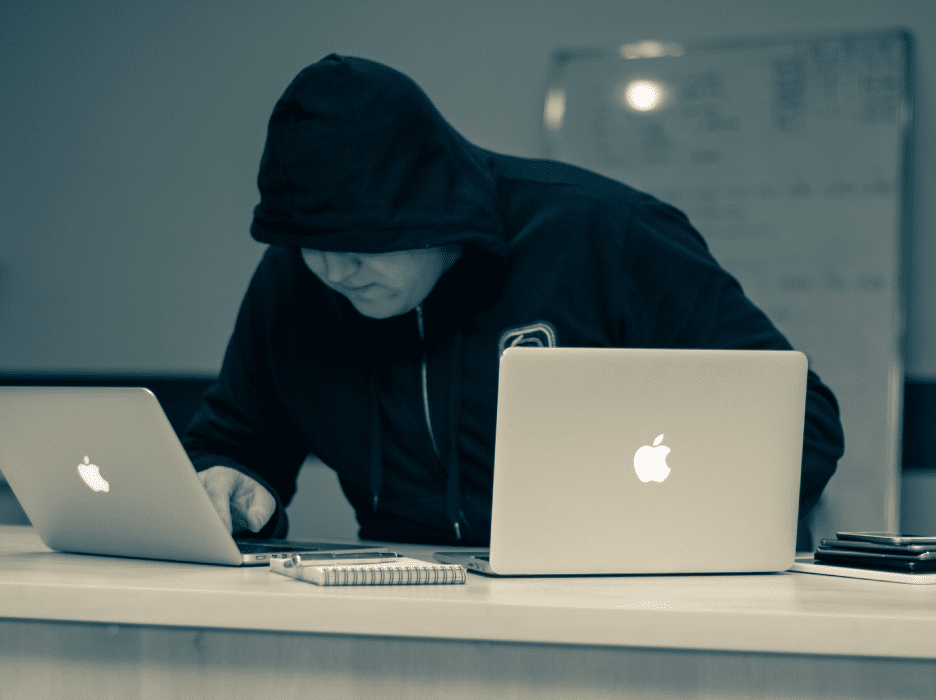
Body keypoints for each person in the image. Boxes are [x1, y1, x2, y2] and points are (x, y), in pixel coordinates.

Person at [183, 54, 844, 547]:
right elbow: (236, 440)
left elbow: (801, 424)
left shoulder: (603, 234)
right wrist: (232, 482)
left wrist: (658, 540)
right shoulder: (296, 279)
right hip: (408, 610)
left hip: (626, 598)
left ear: (432, 208)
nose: (333, 269)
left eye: (361, 240)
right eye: (306, 242)